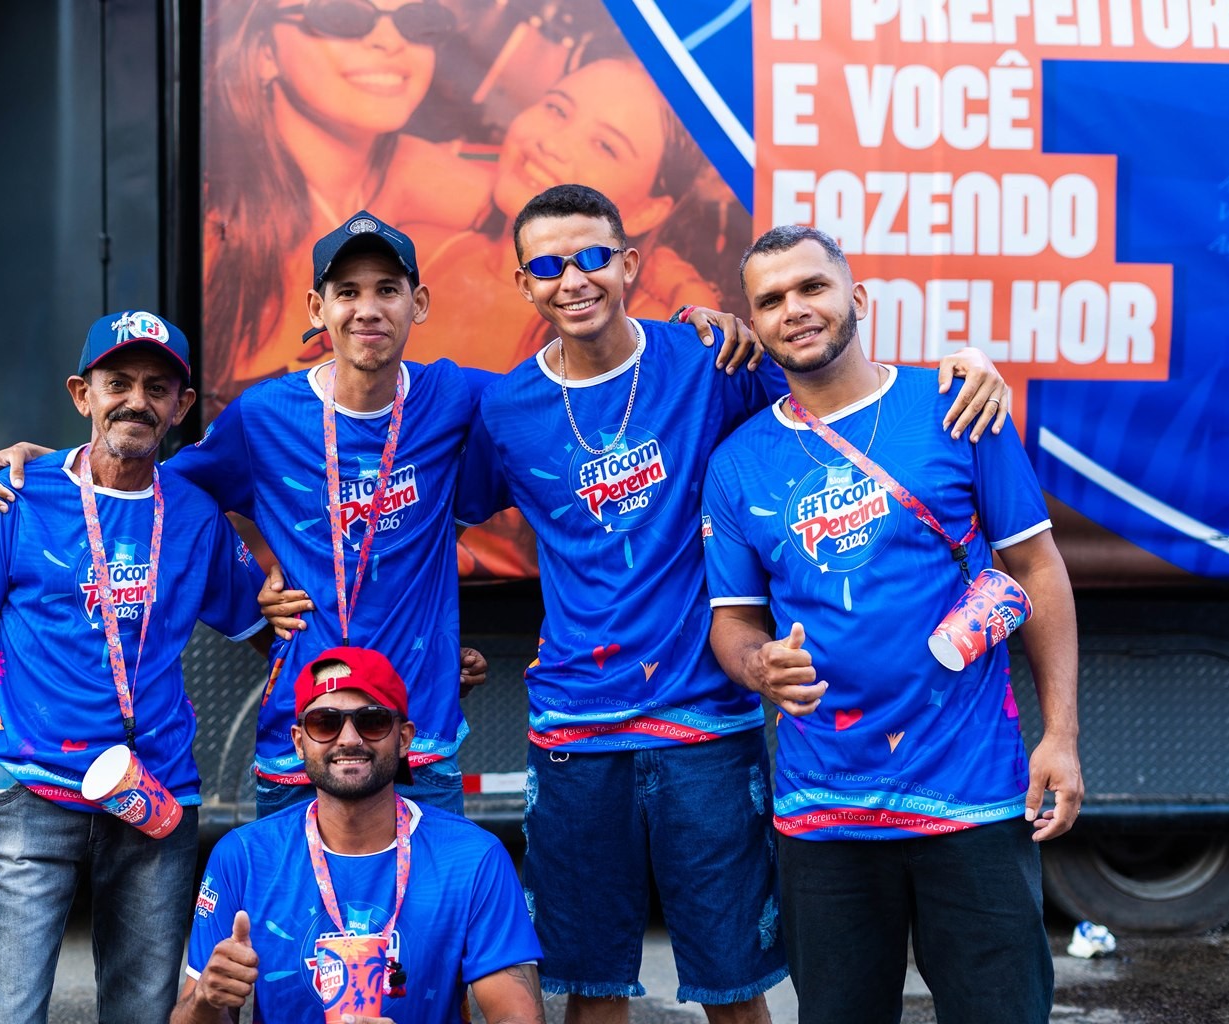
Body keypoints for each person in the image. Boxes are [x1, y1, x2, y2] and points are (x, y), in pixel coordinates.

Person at [454, 185, 1009, 1024]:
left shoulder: (710, 361)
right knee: (590, 994)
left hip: (705, 724)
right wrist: (438, 640)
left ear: (628, 264)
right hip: (574, 726)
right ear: (523, 282)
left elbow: (833, 387)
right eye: (548, 265)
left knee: (734, 993)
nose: (573, 279)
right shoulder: (504, 411)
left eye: (593, 257)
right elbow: (435, 521)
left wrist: (960, 369)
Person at [0, 213, 498, 820]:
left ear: (418, 303)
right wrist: (53, 464)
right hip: (303, 734)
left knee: (434, 885)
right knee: (292, 885)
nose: (367, 310)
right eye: (347, 292)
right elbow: (154, 484)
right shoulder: (263, 416)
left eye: (387, 290)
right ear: (318, 308)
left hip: (417, 730)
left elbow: (556, 403)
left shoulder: (454, 397)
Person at [702, 226, 1083, 1024]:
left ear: (859, 298)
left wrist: (1061, 736)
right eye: (771, 300)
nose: (794, 309)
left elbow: (1037, 567)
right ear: (755, 323)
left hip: (971, 796)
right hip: (823, 810)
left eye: (813, 287)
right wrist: (758, 665)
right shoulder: (736, 464)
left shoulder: (957, 407)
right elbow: (733, 622)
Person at [0, 311, 270, 1024]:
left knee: (143, 1012)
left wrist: (400, 669)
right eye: (118, 383)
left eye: (157, 387)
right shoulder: (14, 496)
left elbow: (274, 633)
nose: (136, 402)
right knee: (13, 1013)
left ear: (181, 406)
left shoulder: (196, 515)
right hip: (32, 791)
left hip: (156, 795)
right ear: (82, 394)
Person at [172, 645, 544, 1024]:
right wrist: (205, 1001)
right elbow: (193, 1014)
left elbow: (517, 1016)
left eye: (373, 720)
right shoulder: (243, 856)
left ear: (404, 738)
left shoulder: (474, 857)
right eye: (325, 722)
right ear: (299, 742)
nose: (349, 739)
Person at [205, 0, 490, 393]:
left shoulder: (435, 178)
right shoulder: (212, 223)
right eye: (342, 15)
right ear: (265, 53)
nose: (390, 41)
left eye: (416, 20)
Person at [407, 55, 730, 370]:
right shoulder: (424, 255)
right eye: (557, 109)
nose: (552, 144)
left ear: (647, 212)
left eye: (605, 146)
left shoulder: (657, 337)